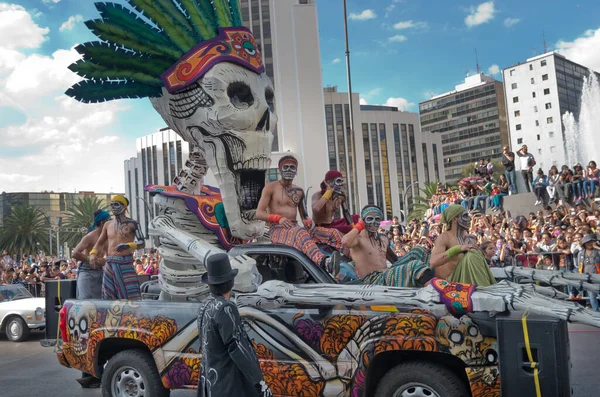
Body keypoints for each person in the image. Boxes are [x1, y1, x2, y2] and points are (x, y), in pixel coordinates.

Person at [196, 253, 273, 397]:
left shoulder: (205, 305)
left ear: (210, 284)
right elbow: (237, 347)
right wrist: (259, 383)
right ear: (231, 282)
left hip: (210, 381)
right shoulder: (226, 308)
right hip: (227, 385)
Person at [256, 156, 346, 275]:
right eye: (285, 167)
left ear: (296, 171)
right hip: (277, 230)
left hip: (295, 228)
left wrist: (309, 222)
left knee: (332, 233)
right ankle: (325, 262)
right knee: (300, 233)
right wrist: (278, 218)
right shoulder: (270, 187)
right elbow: (259, 213)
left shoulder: (299, 191)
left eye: (292, 167)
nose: (289, 170)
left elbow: (304, 217)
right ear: (280, 169)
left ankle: (355, 261)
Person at [341, 205, 434, 287]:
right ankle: (436, 290)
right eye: (369, 219)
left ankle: (440, 281)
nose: (373, 222)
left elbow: (395, 261)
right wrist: (360, 224)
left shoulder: (383, 239)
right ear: (363, 220)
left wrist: (406, 265)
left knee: (419, 250)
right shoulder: (357, 240)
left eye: (377, 219)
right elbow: (345, 242)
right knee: (415, 266)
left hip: (386, 275)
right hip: (372, 281)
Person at [89, 195, 145, 300]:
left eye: (116, 204)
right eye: (112, 205)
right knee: (108, 297)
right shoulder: (107, 224)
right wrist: (93, 254)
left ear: (124, 206)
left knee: (131, 296)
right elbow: (100, 242)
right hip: (110, 263)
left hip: (125, 263)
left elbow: (142, 243)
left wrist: (128, 245)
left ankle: (129, 316)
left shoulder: (133, 223)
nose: (113, 207)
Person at [429, 205, 496, 286]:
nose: (469, 219)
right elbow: (433, 262)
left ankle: (486, 286)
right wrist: (457, 249)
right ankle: (485, 289)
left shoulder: (466, 235)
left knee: (473, 252)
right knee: (472, 254)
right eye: (465, 216)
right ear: (454, 219)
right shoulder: (444, 237)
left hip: (463, 277)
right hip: (450, 280)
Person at [311, 170, 359, 234]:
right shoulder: (317, 195)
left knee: (356, 218)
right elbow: (316, 208)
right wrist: (328, 192)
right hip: (319, 227)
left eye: (341, 181)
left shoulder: (338, 196)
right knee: (348, 229)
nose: (340, 184)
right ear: (328, 182)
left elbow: (346, 212)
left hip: (332, 224)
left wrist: (352, 227)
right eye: (338, 181)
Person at [577, 235, 600, 311]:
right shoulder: (581, 254)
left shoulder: (597, 252)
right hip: (586, 277)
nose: (590, 244)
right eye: (588, 242)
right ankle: (596, 312)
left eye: (591, 242)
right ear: (584, 244)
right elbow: (579, 265)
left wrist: (597, 247)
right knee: (592, 296)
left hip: (597, 276)